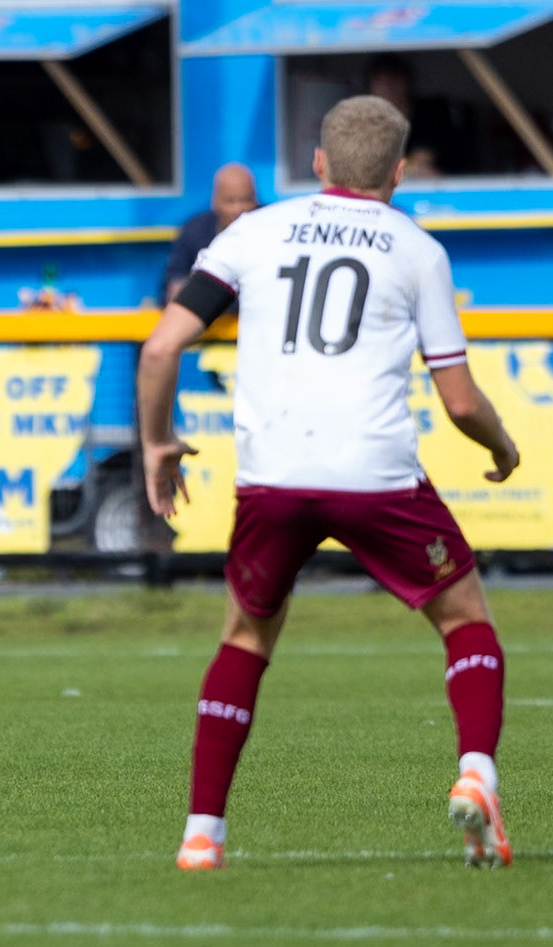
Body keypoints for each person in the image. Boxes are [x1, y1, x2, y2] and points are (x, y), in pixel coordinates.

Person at [137, 95, 520, 871]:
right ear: (400, 172)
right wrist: (502, 445)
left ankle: (201, 835)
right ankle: (477, 775)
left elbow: (159, 347)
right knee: (465, 617)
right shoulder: (418, 249)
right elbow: (459, 401)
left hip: (273, 475)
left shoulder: (253, 230)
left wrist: (157, 443)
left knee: (244, 636)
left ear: (318, 163)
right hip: (374, 474)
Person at [159, 163, 258, 305]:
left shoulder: (272, 227)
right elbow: (173, 284)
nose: (238, 209)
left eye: (246, 200)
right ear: (215, 201)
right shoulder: (193, 232)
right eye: (230, 201)